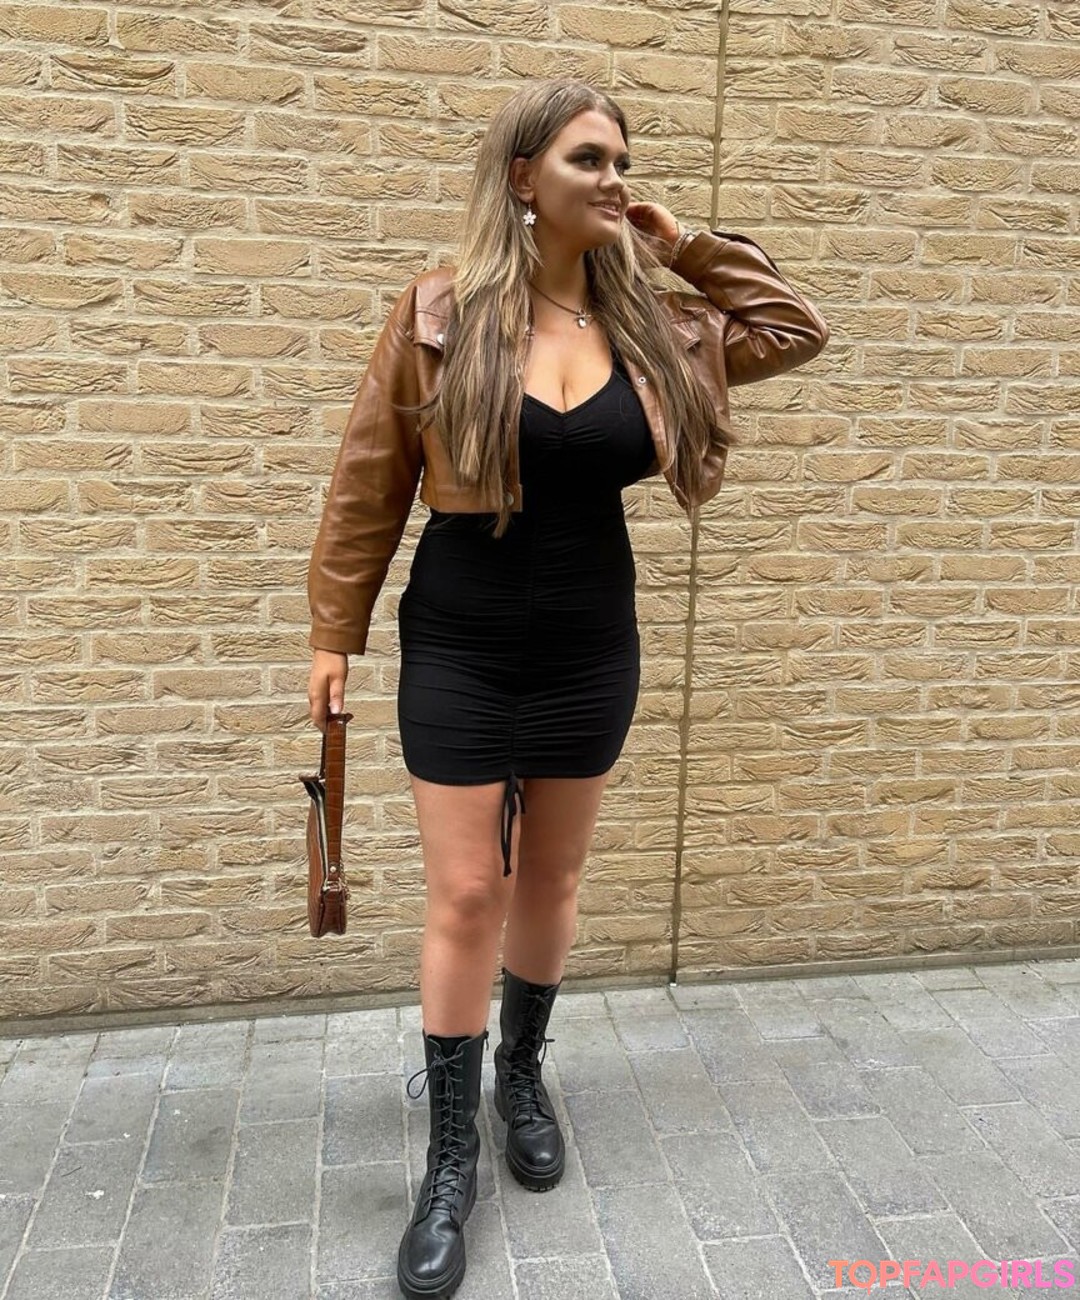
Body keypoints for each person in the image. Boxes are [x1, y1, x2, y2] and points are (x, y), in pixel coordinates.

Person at [306, 78, 828, 1300]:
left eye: (623, 160)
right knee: (466, 892)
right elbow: (368, 478)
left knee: (552, 878)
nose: (614, 177)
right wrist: (334, 633)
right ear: (523, 176)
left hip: (592, 640)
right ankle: (448, 1159)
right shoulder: (439, 312)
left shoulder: (663, 327)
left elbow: (795, 326)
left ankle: (522, 1075)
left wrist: (684, 244)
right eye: (589, 158)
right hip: (460, 636)